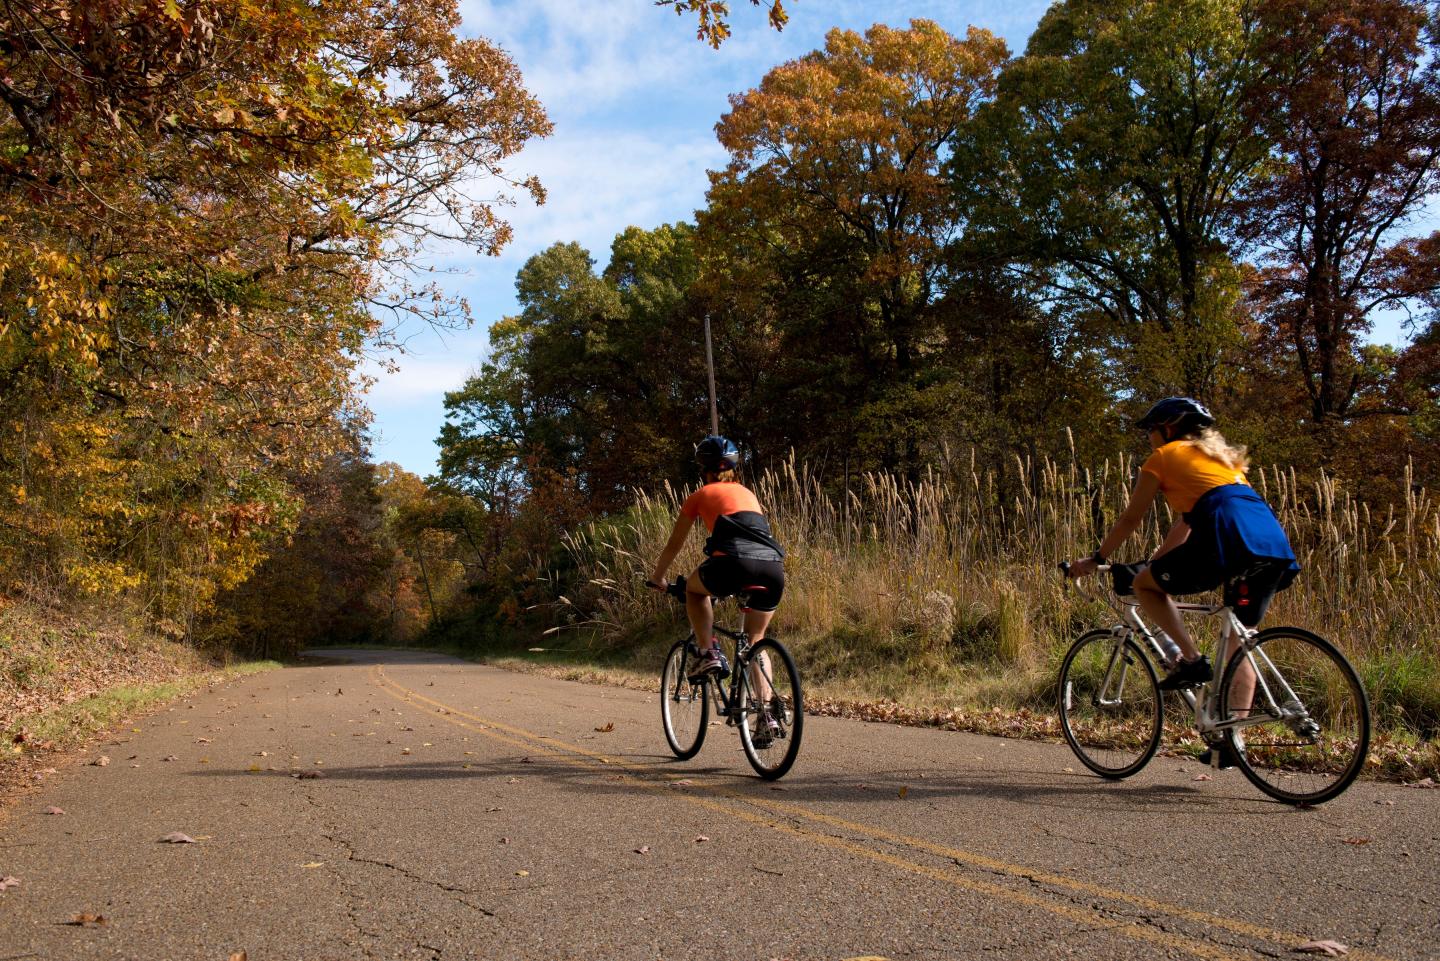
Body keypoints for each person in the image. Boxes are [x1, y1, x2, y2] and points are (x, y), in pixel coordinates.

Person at [1066, 398, 1299, 764]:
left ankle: (1190, 660)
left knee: (1145, 587)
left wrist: (1096, 559)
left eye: (1150, 431)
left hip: (1227, 536)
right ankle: (1230, 739)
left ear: (1168, 427)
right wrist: (1154, 563)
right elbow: (1185, 524)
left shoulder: (1164, 457)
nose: (1148, 439)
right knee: (1241, 642)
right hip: (1270, 542)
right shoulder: (1222, 461)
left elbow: (1130, 519)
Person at [647, 435, 787, 738]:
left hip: (732, 563)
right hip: (773, 567)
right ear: (733, 469)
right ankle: (765, 716)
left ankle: (709, 651)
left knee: (694, 591)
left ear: (704, 468)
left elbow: (674, 544)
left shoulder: (699, 495)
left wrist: (658, 577)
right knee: (756, 639)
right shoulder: (748, 493)